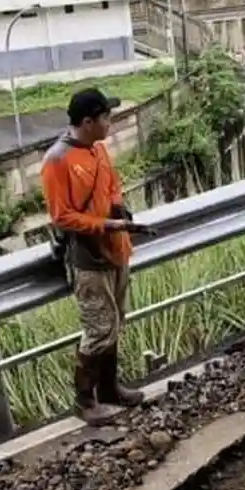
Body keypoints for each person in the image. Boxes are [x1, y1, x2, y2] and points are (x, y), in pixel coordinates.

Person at [42, 88, 154, 425]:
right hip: (88, 257)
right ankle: (84, 401)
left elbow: (111, 186)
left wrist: (119, 208)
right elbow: (61, 216)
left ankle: (109, 389)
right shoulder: (57, 161)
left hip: (115, 249)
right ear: (87, 121)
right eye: (105, 117)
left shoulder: (98, 151)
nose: (110, 122)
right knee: (99, 327)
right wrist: (107, 223)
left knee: (116, 321)